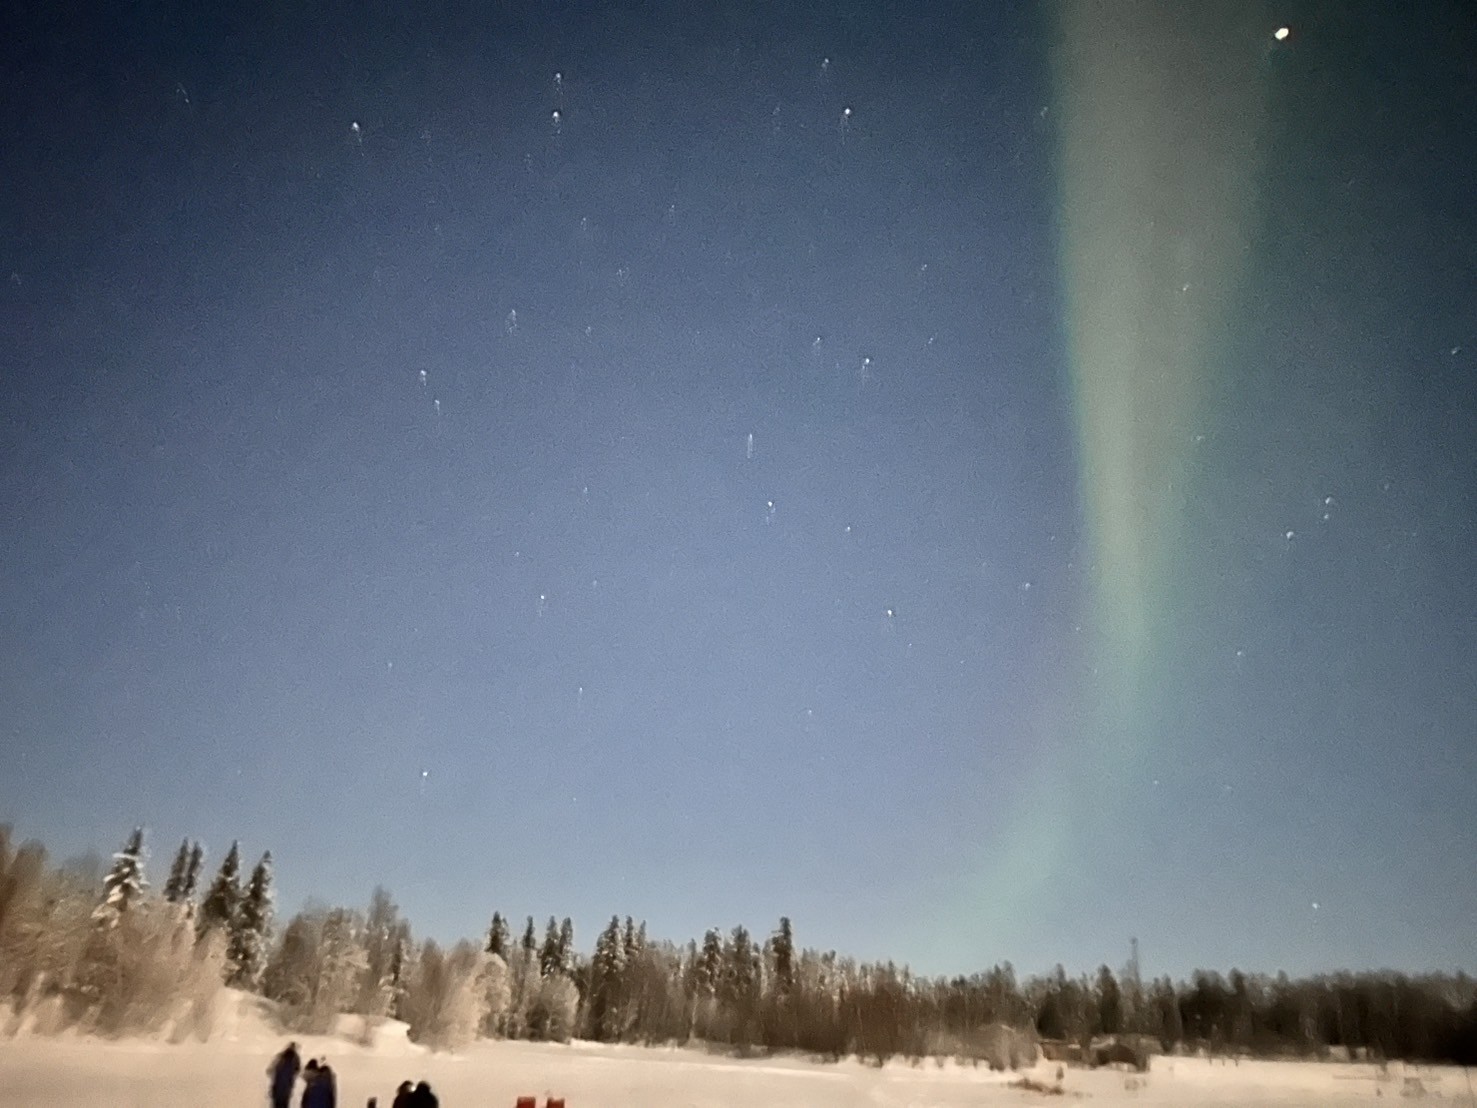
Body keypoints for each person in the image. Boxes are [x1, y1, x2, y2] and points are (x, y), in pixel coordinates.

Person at [268, 1042, 301, 1108]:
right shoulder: (295, 1059)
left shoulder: (279, 1057)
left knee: (276, 1104)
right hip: (286, 1088)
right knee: (284, 1103)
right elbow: (297, 1071)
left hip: (277, 1087)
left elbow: (269, 1070)